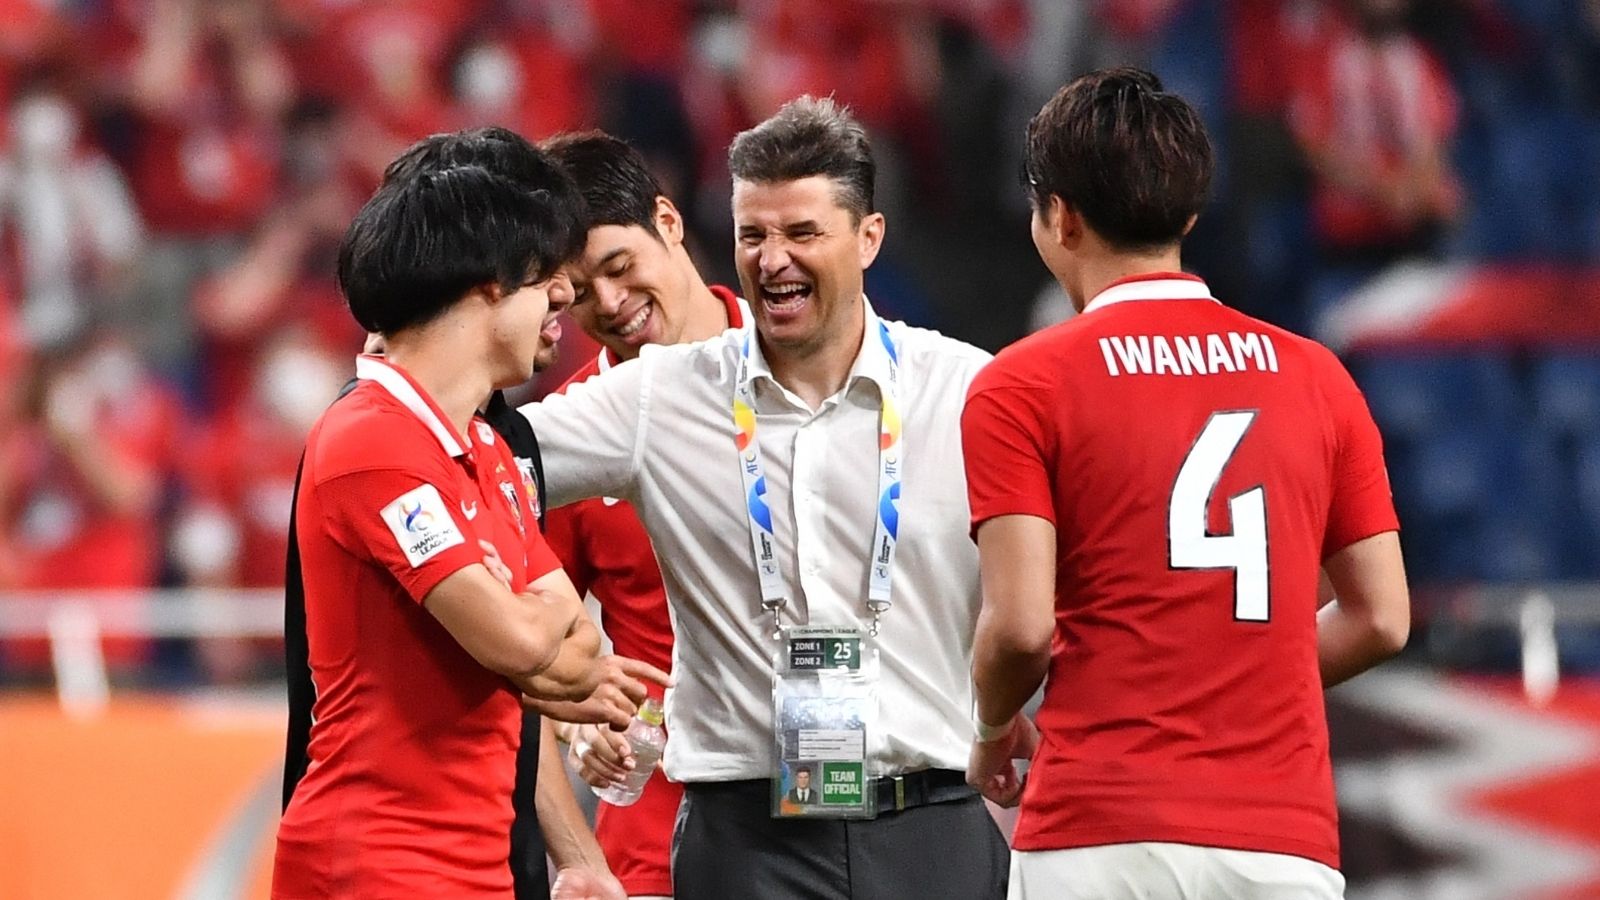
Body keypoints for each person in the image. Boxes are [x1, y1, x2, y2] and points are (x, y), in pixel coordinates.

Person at [521, 96, 1008, 900]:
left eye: (803, 233)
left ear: (870, 238)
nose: (774, 257)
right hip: (733, 835)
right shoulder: (642, 404)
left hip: (929, 820)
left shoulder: (967, 390)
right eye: (755, 235)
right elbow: (470, 462)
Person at [961, 67, 1411, 900]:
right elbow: (1382, 618)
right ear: (1188, 214)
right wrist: (1245, 674)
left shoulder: (1020, 384)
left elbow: (1020, 628)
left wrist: (990, 731)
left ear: (1059, 216)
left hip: (1100, 835)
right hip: (1281, 839)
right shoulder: (1316, 376)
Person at [279, 127, 664, 900]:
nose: (564, 297)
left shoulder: (487, 448)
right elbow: (526, 642)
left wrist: (528, 615)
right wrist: (527, 616)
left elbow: (577, 642)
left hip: (479, 863)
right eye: (545, 277)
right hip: (376, 864)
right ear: (491, 281)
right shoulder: (373, 440)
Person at [536, 129, 749, 900]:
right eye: (580, 294)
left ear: (669, 220)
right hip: (657, 844)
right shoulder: (566, 435)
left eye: (620, 270)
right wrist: (580, 723)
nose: (612, 305)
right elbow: (525, 646)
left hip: (825, 815)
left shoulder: (808, 376)